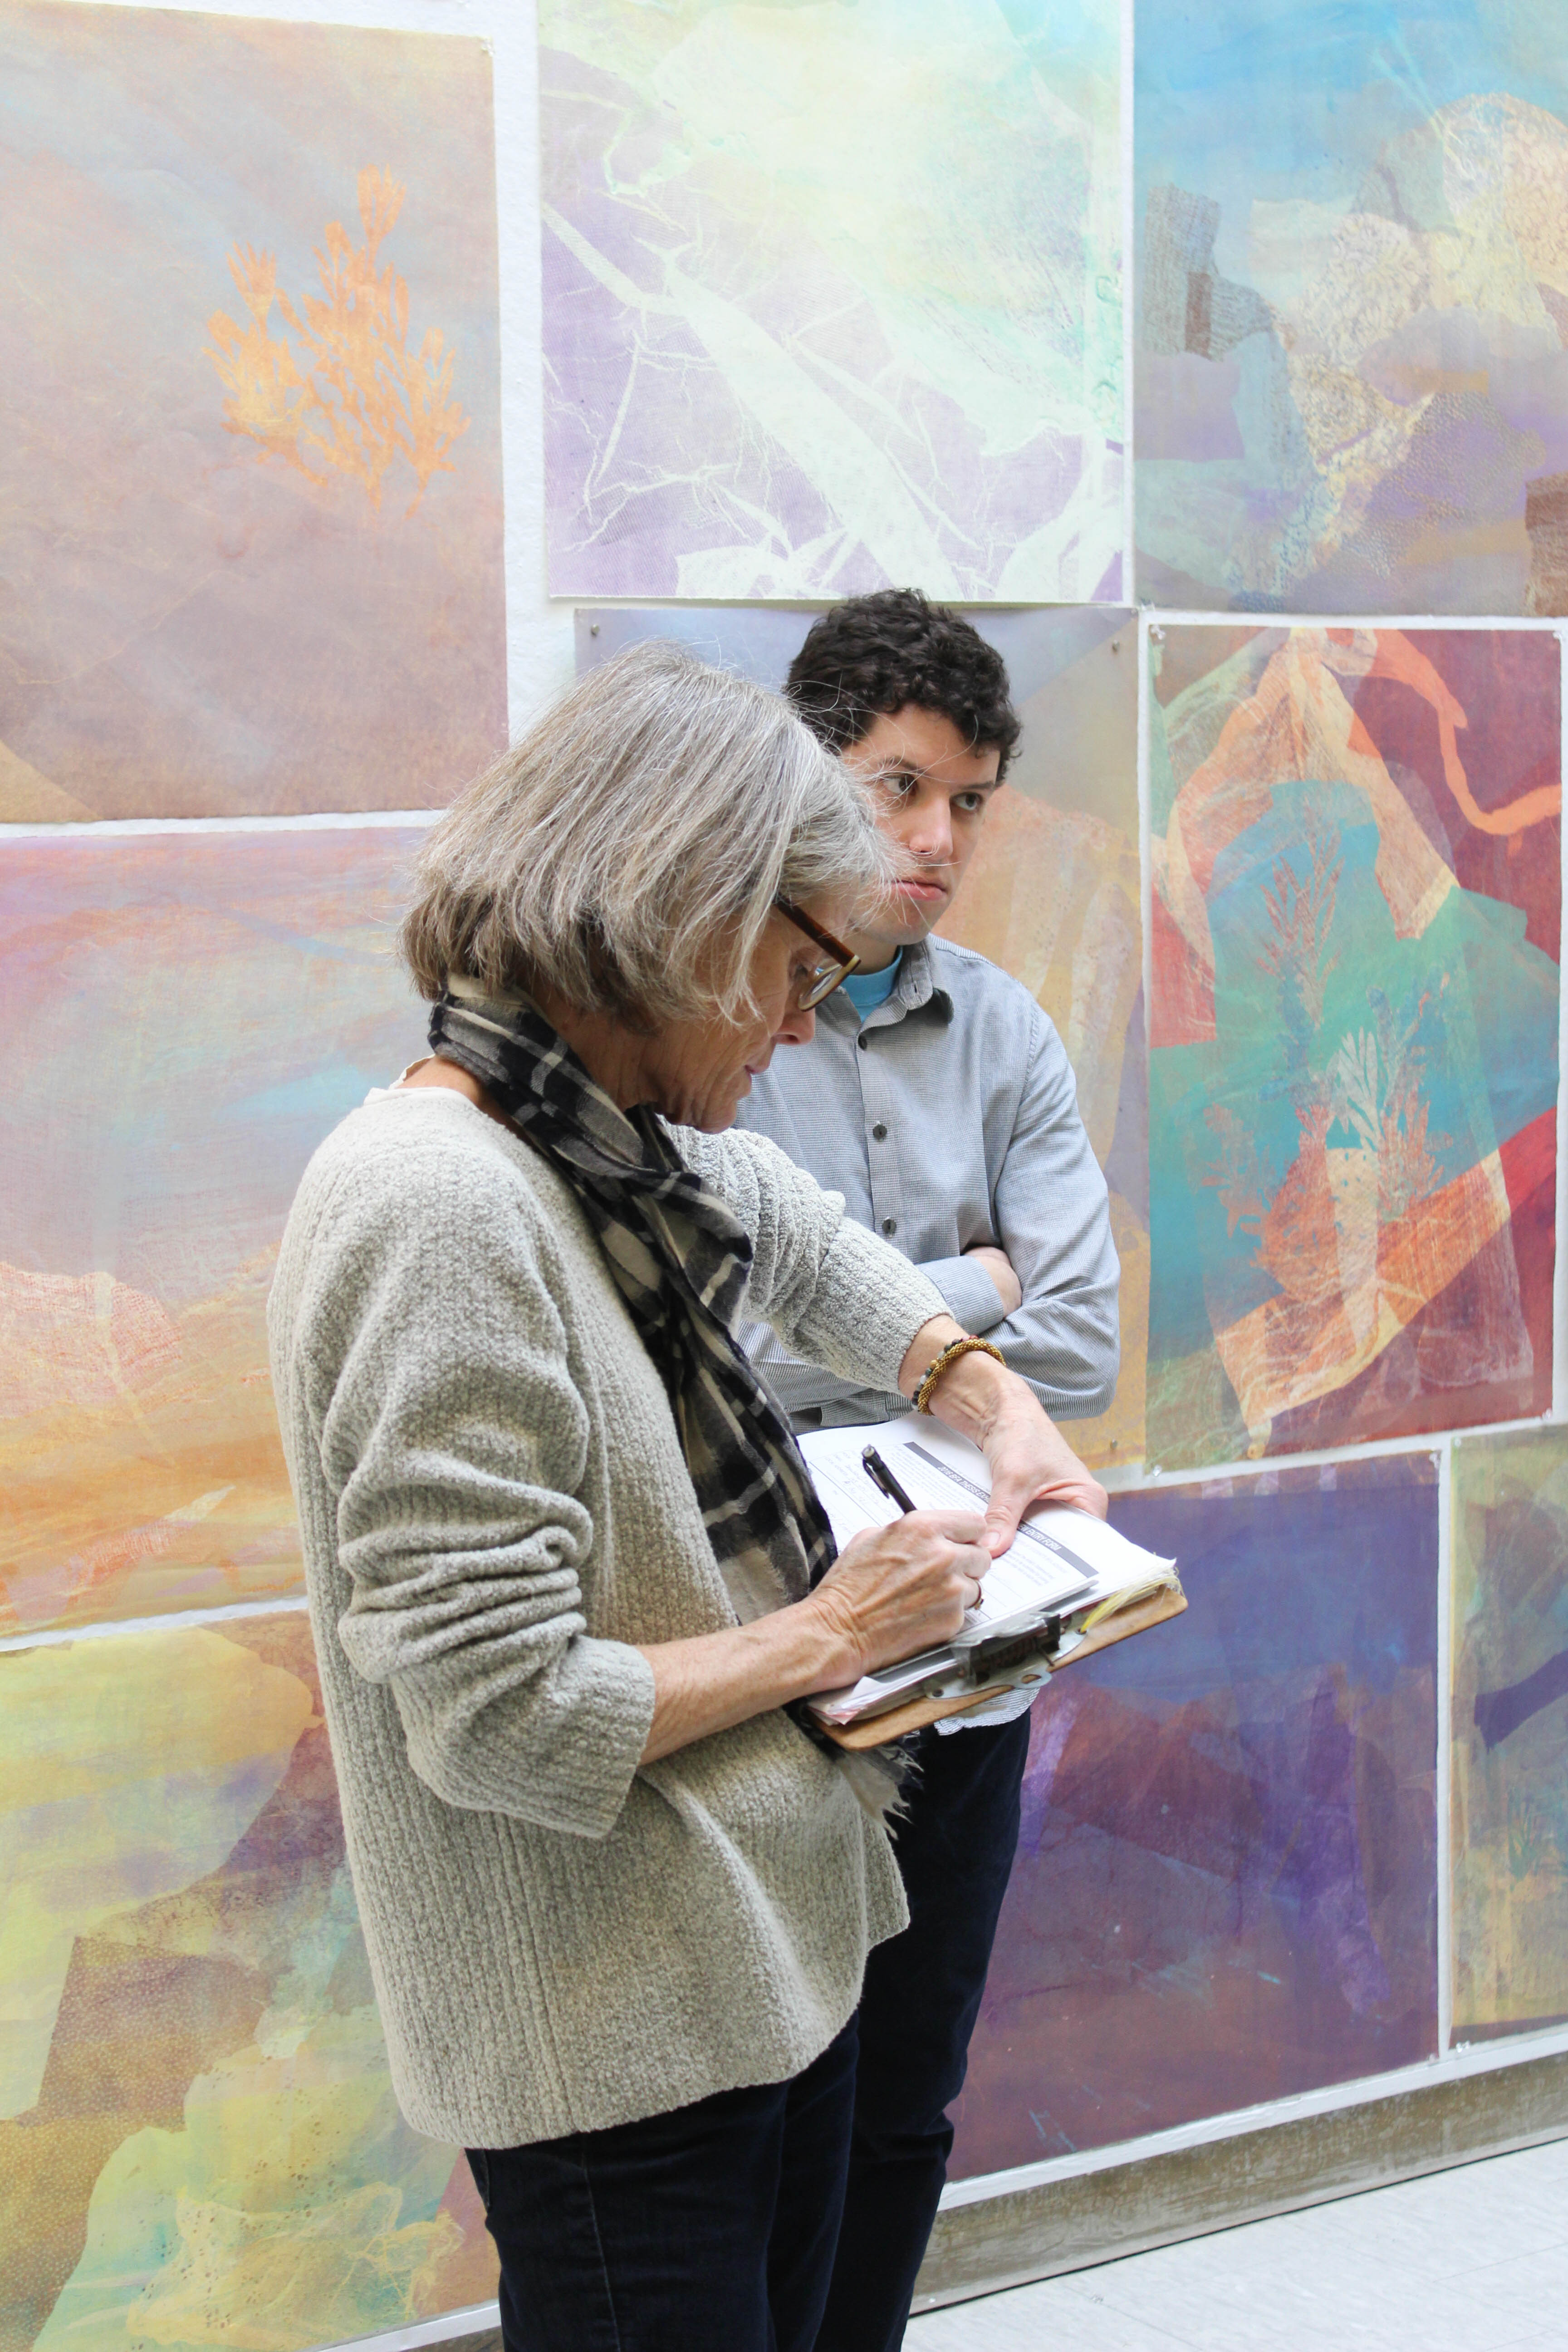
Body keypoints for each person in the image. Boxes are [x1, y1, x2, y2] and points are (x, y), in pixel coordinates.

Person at [266, 642, 1110, 2352]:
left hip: (748, 1969)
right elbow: (501, 1718)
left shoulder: (608, 1147)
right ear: (683, 923)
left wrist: (986, 1392)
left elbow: (801, 1234)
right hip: (616, 2038)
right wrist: (831, 1632)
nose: (802, 1025)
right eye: (797, 973)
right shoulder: (441, 1204)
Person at [733, 590, 1120, 2350]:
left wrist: (860, 1316)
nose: (939, 840)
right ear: (808, 773)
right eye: (899, 787)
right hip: (777, 1635)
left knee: (905, 2106)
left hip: (979, 1638)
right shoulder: (720, 1013)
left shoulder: (1010, 1031)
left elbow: (1086, 1341)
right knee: (763, 2109)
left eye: (968, 801)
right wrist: (973, 1287)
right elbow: (717, 1351)